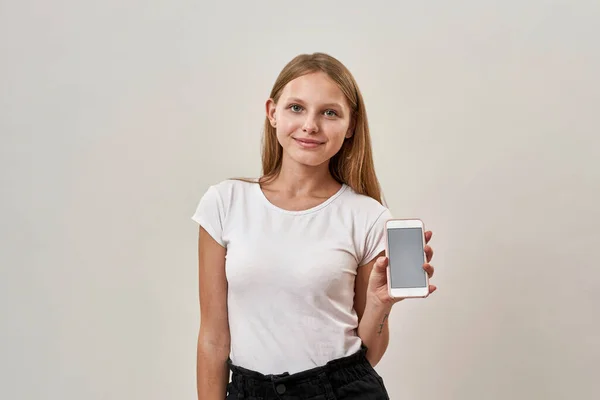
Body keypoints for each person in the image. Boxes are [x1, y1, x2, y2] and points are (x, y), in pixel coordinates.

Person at [192, 52, 437, 400]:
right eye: (296, 107)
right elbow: (213, 340)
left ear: (350, 125)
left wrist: (381, 305)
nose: (310, 125)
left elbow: (366, 357)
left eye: (330, 112)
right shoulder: (224, 203)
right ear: (272, 112)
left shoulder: (368, 217)